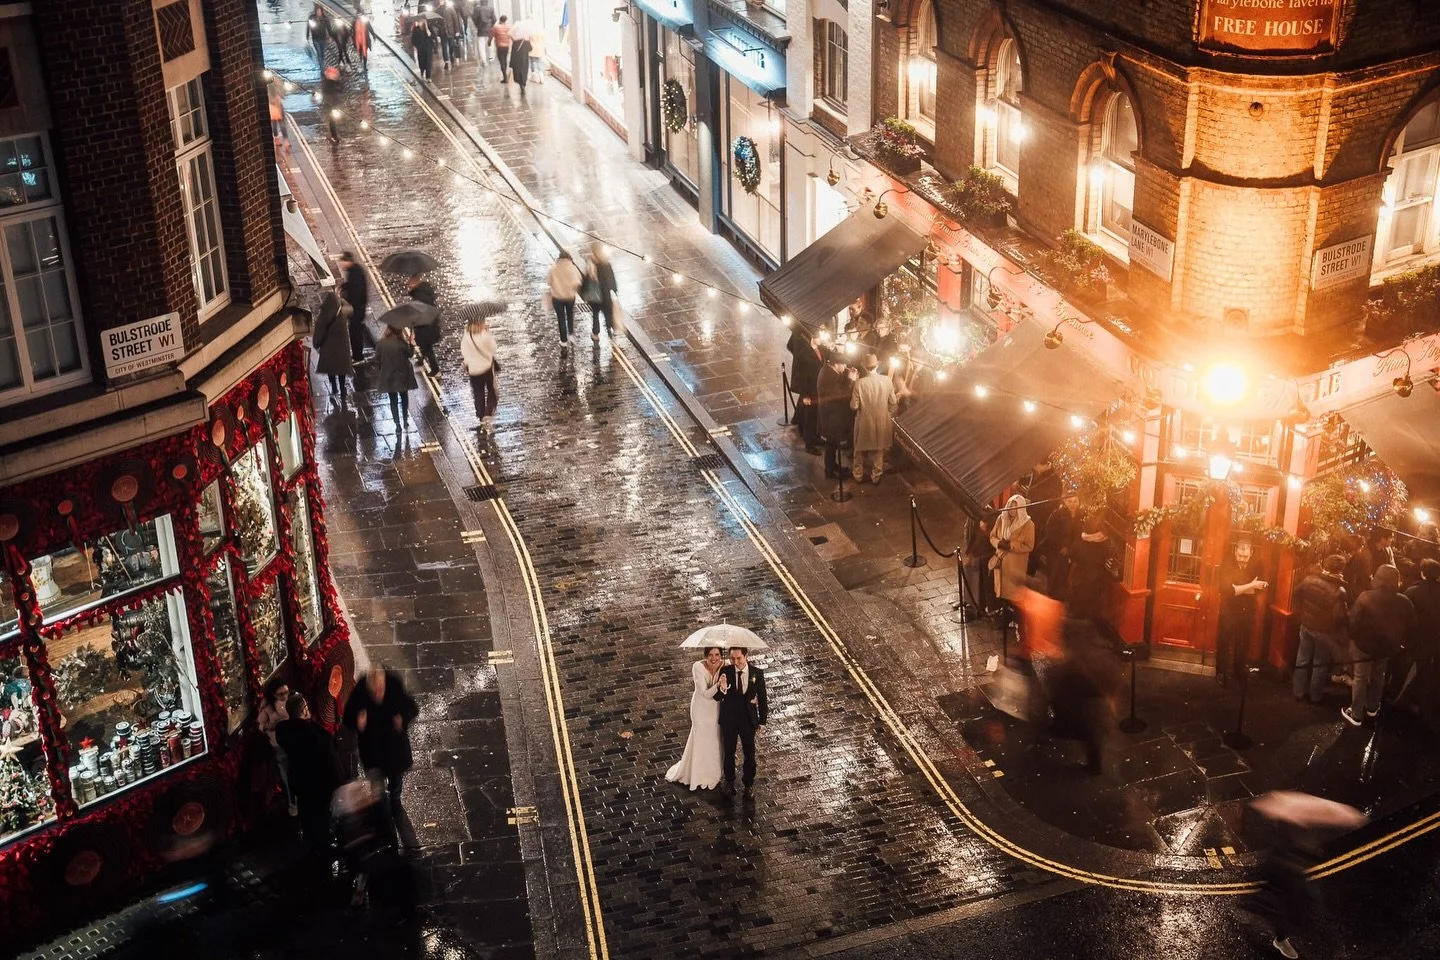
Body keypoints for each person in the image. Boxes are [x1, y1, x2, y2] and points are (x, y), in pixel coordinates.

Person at [1342, 564, 1415, 726]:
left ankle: (1356, 714)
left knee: (1360, 677)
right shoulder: (1404, 601)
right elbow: (1411, 625)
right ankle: (1372, 708)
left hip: (1364, 646)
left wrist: (1353, 638)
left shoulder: (1366, 596)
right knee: (1378, 676)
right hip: (1386, 648)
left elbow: (1353, 621)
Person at [343, 667, 420, 808]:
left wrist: (402, 720)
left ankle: (395, 800)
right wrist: (357, 720)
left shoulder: (393, 684)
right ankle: (380, 806)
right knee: (376, 785)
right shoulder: (360, 691)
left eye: (380, 688)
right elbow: (347, 717)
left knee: (396, 779)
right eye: (374, 691)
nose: (378, 694)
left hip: (394, 748)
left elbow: (412, 707)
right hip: (372, 750)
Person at [275, 693, 341, 854]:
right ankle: (322, 851)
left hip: (300, 784)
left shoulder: (284, 731)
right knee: (321, 821)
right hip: (319, 786)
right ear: (304, 711)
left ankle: (310, 846)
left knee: (307, 817)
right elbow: (332, 764)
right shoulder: (317, 736)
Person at [1289, 554, 1348, 705]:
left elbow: (1296, 592)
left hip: (1306, 625)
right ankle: (1315, 696)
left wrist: (1301, 612)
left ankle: (1298, 692)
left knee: (1302, 658)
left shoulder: (1309, 580)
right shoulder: (1339, 590)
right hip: (1324, 631)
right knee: (1319, 663)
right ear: (1340, 570)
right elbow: (1339, 617)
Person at [665, 647, 724, 791]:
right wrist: (718, 684)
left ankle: (713, 771)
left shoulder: (724, 665)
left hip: (715, 708)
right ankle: (697, 773)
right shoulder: (697, 667)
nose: (714, 658)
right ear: (705, 656)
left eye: (717, 655)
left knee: (714, 738)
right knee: (700, 738)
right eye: (710, 655)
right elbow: (704, 693)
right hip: (701, 709)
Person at [713, 647, 767, 799]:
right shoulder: (726, 671)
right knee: (728, 752)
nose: (735, 662)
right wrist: (722, 689)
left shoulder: (757, 673)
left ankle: (748, 784)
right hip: (729, 719)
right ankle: (729, 781)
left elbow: (763, 699)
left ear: (746, 656)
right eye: (732, 659)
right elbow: (717, 697)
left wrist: (762, 721)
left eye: (738, 658)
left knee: (749, 753)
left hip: (748, 720)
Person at [1216, 539, 1267, 688]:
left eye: (1245, 556)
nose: (1242, 559)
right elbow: (1228, 591)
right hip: (1229, 610)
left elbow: (1261, 588)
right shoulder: (1226, 564)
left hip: (1247, 610)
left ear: (1251, 553)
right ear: (1235, 551)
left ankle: (1239, 672)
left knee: (1243, 642)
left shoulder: (1258, 564)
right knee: (1224, 642)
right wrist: (1251, 585)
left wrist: (1239, 588)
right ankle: (1221, 672)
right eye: (1240, 555)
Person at [1402, 558, 1440, 726]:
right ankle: (1417, 702)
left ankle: (1395, 695)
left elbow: (1403, 616)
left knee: (1405, 665)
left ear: (1423, 573)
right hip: (1432, 638)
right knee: (1425, 670)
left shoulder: (1412, 591)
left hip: (1412, 637)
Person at [849, 352, 897, 484]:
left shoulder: (859, 383)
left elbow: (854, 406)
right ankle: (876, 475)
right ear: (877, 365)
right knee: (879, 449)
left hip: (864, 422)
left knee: (858, 449)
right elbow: (893, 403)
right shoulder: (887, 381)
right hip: (882, 421)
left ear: (864, 367)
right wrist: (887, 415)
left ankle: (858, 474)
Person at [257, 677, 295, 817]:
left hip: (294, 743)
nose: (285, 696)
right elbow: (260, 726)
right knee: (286, 775)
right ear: (273, 694)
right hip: (279, 746)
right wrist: (272, 726)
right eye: (281, 694)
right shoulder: (267, 706)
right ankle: (293, 803)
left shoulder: (292, 699)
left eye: (286, 692)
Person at [990, 494, 1035, 608]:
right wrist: (999, 543)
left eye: (1016, 508)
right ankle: (1003, 618)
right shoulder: (1001, 519)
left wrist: (1011, 546)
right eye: (1011, 506)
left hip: (1015, 567)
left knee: (1014, 598)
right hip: (1001, 565)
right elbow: (992, 536)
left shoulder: (1028, 524)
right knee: (1001, 595)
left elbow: (1029, 546)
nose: (1012, 510)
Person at [312, 292, 355, 407]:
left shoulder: (324, 315)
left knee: (331, 369)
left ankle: (334, 389)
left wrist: (316, 343)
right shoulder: (343, 312)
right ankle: (342, 389)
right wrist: (342, 300)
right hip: (342, 349)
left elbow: (319, 331)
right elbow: (351, 309)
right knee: (341, 369)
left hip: (329, 348)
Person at [816, 350, 852, 480]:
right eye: (843, 365)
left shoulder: (828, 370)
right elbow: (840, 396)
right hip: (831, 418)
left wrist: (847, 375)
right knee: (831, 445)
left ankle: (832, 466)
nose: (845, 368)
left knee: (832, 445)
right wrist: (850, 381)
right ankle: (830, 470)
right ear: (836, 364)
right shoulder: (829, 377)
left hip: (830, 416)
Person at [786, 330, 823, 454]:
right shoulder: (806, 355)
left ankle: (815, 437)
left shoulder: (818, 349)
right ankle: (810, 443)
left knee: (815, 415)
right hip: (809, 391)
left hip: (816, 389)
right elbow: (805, 376)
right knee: (810, 417)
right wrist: (805, 395)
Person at [375, 325, 418, 431]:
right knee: (404, 398)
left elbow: (377, 359)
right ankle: (405, 420)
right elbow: (410, 354)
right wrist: (411, 343)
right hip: (402, 375)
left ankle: (397, 424)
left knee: (393, 400)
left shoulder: (381, 343)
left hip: (388, 376)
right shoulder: (401, 343)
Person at [1038, 492, 1080, 599]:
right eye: (1070, 501)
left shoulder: (1081, 516)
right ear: (1065, 501)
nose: (1072, 504)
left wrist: (1070, 549)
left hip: (1070, 552)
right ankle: (1051, 599)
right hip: (1055, 551)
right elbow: (1050, 532)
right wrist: (1061, 547)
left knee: (1064, 577)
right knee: (1054, 576)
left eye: (1075, 501)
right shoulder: (1057, 514)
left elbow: (1078, 536)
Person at [461, 314, 498, 432]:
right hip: (486, 368)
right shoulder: (484, 335)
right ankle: (488, 412)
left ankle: (481, 415)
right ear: (480, 323)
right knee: (492, 391)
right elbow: (493, 349)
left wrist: (468, 362)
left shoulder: (466, 336)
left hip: (473, 370)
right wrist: (488, 333)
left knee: (478, 393)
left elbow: (464, 351)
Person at [548, 250, 584, 348]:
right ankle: (571, 334)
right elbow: (579, 281)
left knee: (561, 318)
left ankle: (563, 341)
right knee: (570, 314)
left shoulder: (554, 268)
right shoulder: (572, 268)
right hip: (570, 297)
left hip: (557, 297)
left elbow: (549, 281)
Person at [339, 251, 370, 362]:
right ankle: (357, 355)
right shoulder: (354, 270)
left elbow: (357, 291)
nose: (341, 264)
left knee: (355, 332)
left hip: (357, 309)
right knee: (354, 331)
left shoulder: (355, 272)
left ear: (348, 261)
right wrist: (343, 286)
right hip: (357, 307)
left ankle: (358, 356)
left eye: (342, 262)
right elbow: (352, 285)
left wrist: (348, 303)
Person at [407, 273, 441, 374]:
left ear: (416, 282)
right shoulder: (424, 292)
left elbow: (417, 310)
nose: (408, 284)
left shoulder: (418, 296)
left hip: (425, 324)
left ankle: (435, 369)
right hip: (430, 322)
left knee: (427, 346)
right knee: (425, 344)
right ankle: (421, 359)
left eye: (410, 282)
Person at [586, 242, 619, 342]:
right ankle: (610, 328)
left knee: (595, 315)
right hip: (605, 293)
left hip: (595, 294)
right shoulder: (606, 263)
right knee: (607, 312)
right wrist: (614, 289)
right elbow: (611, 278)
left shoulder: (591, 264)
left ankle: (595, 334)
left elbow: (587, 280)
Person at [320, 65, 342, 143]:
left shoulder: (334, 83)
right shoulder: (327, 84)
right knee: (332, 120)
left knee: (333, 120)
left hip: (334, 102)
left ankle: (334, 134)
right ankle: (333, 135)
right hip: (330, 103)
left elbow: (339, 90)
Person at [440, 0, 464, 68]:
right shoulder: (438, 10)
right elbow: (435, 22)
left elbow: (455, 19)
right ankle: (446, 61)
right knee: (444, 47)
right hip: (442, 32)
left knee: (451, 45)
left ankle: (452, 57)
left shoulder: (450, 9)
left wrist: (457, 31)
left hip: (450, 31)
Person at [411, 17, 435, 81]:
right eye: (418, 21)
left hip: (428, 48)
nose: (419, 23)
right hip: (420, 48)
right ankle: (422, 70)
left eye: (420, 21)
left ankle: (428, 77)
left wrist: (430, 34)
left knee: (428, 62)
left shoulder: (428, 28)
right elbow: (413, 39)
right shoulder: (416, 29)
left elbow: (433, 37)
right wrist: (416, 45)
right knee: (421, 61)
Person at [491, 16, 513, 82]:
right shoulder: (508, 27)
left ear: (500, 20)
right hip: (506, 46)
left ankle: (504, 76)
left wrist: (489, 42)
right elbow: (511, 36)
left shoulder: (496, 27)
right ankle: (505, 73)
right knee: (505, 60)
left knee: (501, 61)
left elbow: (491, 35)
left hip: (499, 46)